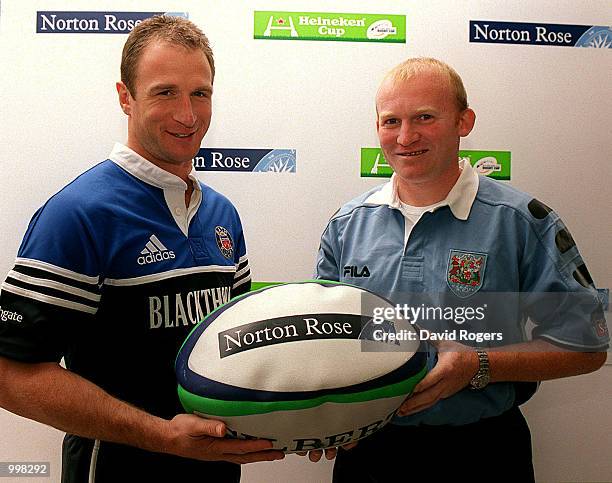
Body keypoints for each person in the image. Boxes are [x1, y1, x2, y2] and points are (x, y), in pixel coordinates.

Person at [0, 15, 285, 482]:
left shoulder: (223, 214)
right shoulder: (78, 213)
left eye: (201, 93)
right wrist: (163, 436)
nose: (188, 115)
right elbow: (10, 375)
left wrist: (313, 420)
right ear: (125, 98)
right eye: (165, 92)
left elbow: (235, 356)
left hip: (216, 468)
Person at [314, 57, 609, 481]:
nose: (405, 136)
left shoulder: (521, 221)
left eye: (424, 118)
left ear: (464, 121)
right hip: (370, 452)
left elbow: (585, 346)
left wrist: (479, 364)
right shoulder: (346, 225)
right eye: (390, 121)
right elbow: (321, 347)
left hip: (483, 452)